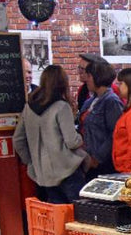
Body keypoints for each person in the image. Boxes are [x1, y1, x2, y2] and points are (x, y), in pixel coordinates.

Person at [14, 65, 88, 203]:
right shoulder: (61, 106)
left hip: (43, 174)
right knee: (80, 213)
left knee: (57, 216)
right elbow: (71, 141)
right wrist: (81, 137)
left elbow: (18, 140)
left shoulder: (28, 107)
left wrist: (30, 161)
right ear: (62, 83)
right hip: (67, 170)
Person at [79, 59, 123, 178]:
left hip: (104, 164)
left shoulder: (111, 101)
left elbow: (115, 133)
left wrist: (97, 158)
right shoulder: (90, 101)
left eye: (88, 76)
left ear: (97, 77)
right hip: (89, 161)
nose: (86, 79)